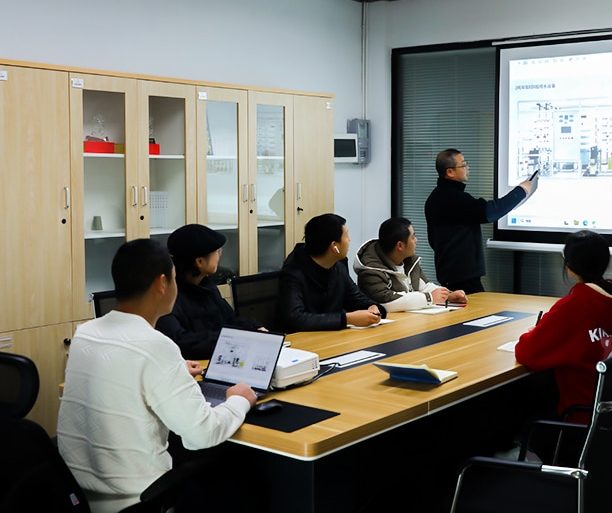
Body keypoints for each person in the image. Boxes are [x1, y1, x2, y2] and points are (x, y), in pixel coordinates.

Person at [58, 239, 256, 513]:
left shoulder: (86, 332)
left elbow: (120, 370)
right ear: (162, 283)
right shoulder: (157, 346)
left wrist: (173, 368)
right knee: (243, 476)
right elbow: (203, 434)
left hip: (79, 493)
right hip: (136, 499)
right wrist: (239, 399)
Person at [515, 230, 612, 423]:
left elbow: (525, 353)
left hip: (584, 418)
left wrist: (536, 332)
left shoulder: (572, 307)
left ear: (570, 266)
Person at [425, 149, 536, 293]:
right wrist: (521, 190)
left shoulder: (437, 197)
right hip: (462, 278)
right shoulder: (453, 199)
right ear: (450, 172)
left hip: (453, 274)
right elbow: (491, 212)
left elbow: (433, 240)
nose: (467, 168)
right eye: (463, 165)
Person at [156, 224, 266, 359]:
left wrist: (255, 329)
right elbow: (180, 342)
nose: (219, 256)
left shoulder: (207, 286)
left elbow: (231, 320)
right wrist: (235, 339)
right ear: (199, 261)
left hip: (221, 357)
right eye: (217, 252)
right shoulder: (169, 295)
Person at [278, 213, 387, 332]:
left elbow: (356, 298)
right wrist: (346, 319)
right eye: (346, 235)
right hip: (302, 339)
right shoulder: (293, 273)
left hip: (333, 336)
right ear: (334, 246)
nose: (349, 239)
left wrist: (372, 307)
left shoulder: (338, 266)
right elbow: (296, 318)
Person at [353, 217, 467, 312]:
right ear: (400, 246)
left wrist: (447, 295)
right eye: (412, 237)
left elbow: (424, 287)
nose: (416, 240)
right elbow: (387, 302)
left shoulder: (409, 261)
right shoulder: (370, 271)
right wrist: (430, 298)